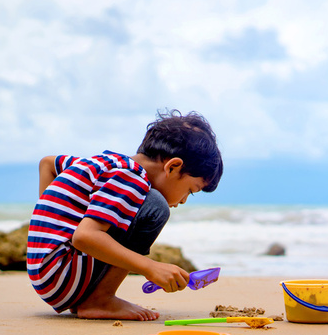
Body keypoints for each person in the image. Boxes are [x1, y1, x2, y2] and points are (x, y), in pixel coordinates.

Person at [26, 110, 223, 320]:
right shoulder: (132, 177)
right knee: (156, 206)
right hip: (62, 277)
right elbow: (84, 237)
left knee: (134, 207)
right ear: (173, 166)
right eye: (190, 190)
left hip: (45, 272)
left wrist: (56, 222)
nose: (183, 200)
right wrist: (150, 267)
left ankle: (91, 296)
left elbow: (48, 163)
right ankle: (100, 299)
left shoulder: (107, 163)